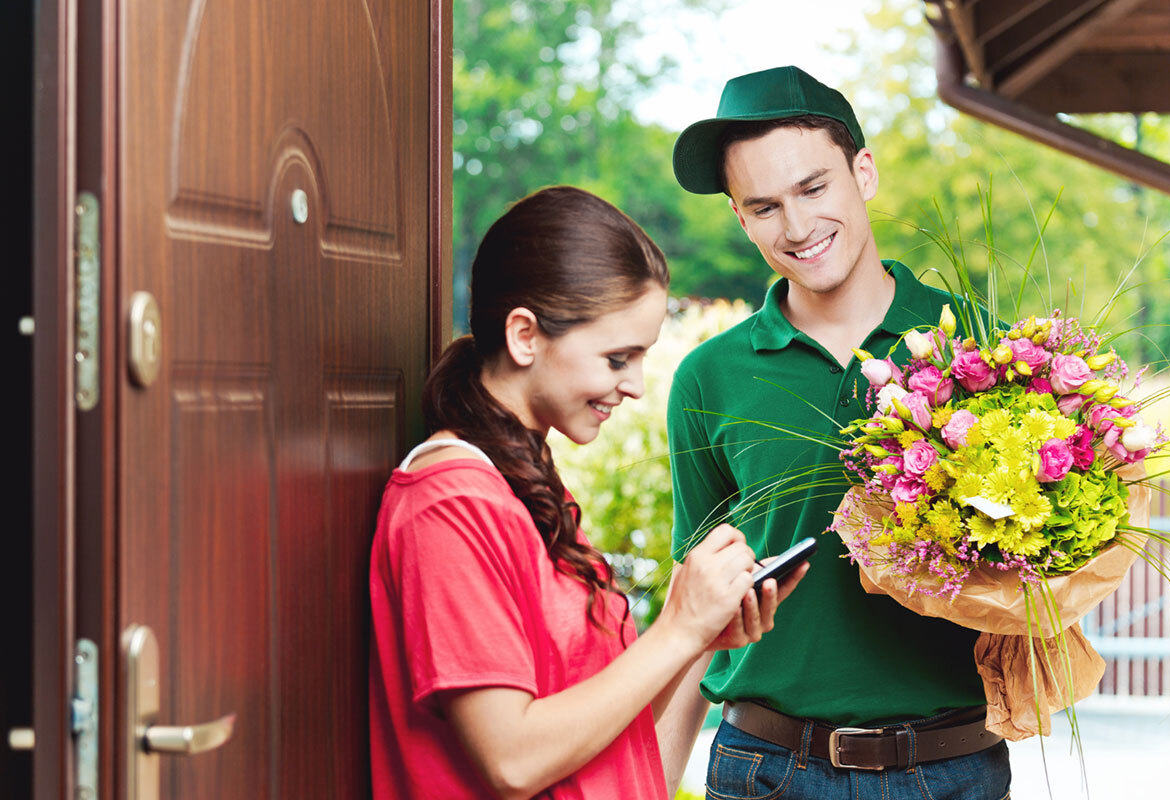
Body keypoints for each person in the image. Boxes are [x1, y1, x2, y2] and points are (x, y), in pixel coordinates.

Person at [368, 185, 805, 800]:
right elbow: (513, 762)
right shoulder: (451, 506)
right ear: (525, 335)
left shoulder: (524, 482)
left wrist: (701, 635)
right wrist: (675, 630)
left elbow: (608, 738)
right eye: (617, 357)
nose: (635, 385)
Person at [657, 67, 1011, 799]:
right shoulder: (708, 379)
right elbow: (695, 599)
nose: (796, 227)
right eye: (763, 207)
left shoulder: (989, 351)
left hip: (955, 768)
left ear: (863, 172)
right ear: (740, 218)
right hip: (766, 769)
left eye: (813, 189)